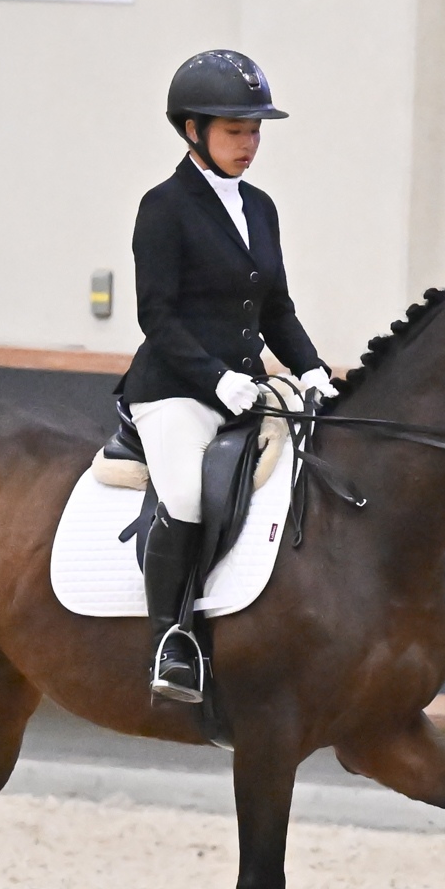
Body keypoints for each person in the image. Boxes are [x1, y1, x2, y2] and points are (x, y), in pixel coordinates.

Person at [117, 50, 338, 703]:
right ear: (193, 131)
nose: (250, 144)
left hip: (246, 387)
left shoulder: (260, 208)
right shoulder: (163, 207)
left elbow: (276, 310)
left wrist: (312, 369)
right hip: (174, 390)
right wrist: (214, 380)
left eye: (255, 131)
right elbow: (156, 316)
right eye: (236, 131)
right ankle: (170, 642)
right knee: (187, 497)